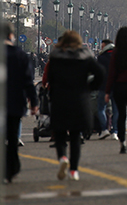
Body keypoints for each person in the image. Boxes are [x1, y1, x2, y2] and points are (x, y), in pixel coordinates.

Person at [0, 23, 39, 183]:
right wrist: (34, 102)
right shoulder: (21, 55)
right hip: (16, 102)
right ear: (11, 36)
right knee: (12, 136)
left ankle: (0, 167)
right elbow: (28, 81)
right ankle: (12, 167)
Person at [46, 30, 103, 181]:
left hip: (60, 99)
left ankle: (62, 157)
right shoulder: (85, 57)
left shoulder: (56, 57)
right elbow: (101, 74)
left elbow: (50, 78)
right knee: (76, 136)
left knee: (59, 133)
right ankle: (73, 171)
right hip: (79, 99)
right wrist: (90, 87)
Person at [95, 39, 119, 140]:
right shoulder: (119, 56)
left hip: (104, 87)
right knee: (116, 109)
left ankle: (104, 129)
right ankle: (115, 131)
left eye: (102, 46)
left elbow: (97, 72)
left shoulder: (101, 58)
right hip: (117, 86)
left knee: (100, 108)